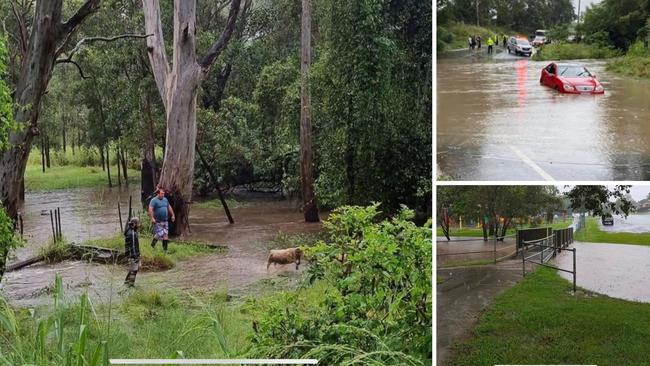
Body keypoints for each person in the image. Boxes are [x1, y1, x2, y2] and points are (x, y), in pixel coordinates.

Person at [148, 188, 175, 252]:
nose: (163, 195)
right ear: (158, 194)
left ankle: (165, 250)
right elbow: (150, 209)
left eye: (163, 194)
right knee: (159, 234)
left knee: (165, 234)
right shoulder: (153, 200)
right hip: (158, 221)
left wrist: (173, 215)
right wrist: (152, 218)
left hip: (165, 220)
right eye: (161, 194)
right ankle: (152, 245)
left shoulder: (165, 200)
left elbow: (169, 207)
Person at [124, 217, 141, 286]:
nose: (139, 225)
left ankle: (126, 284)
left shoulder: (128, 231)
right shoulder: (132, 233)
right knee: (134, 271)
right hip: (133, 255)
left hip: (129, 255)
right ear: (134, 224)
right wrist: (136, 256)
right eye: (138, 224)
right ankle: (130, 285)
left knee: (131, 270)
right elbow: (133, 246)